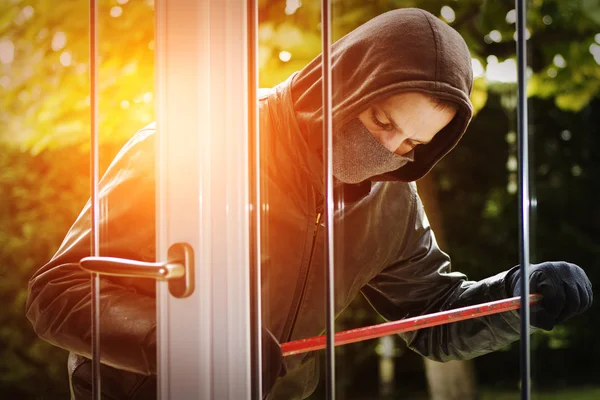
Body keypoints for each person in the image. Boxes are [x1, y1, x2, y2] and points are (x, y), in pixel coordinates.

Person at [26, 8, 592, 400]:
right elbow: (59, 292)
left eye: (414, 144)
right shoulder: (195, 138)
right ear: (344, 82)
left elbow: (435, 317)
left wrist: (517, 299)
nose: (389, 151)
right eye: (381, 121)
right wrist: (179, 344)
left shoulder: (393, 197)